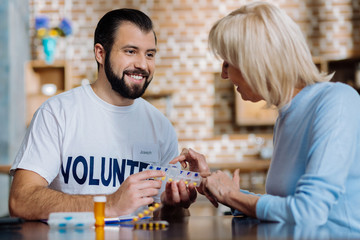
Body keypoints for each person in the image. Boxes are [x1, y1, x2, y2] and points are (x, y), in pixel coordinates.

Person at [171, 1, 360, 230]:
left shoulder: (336, 101)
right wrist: (210, 182)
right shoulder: (286, 116)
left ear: (256, 62)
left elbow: (309, 212)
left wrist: (232, 196)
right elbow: (283, 206)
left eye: (227, 62)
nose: (223, 74)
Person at [9, 8, 196, 220]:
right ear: (100, 53)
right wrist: (110, 204)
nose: (143, 64)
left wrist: (173, 207)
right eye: (130, 51)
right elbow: (20, 199)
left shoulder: (161, 126)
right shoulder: (57, 113)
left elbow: (169, 217)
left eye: (150, 54)